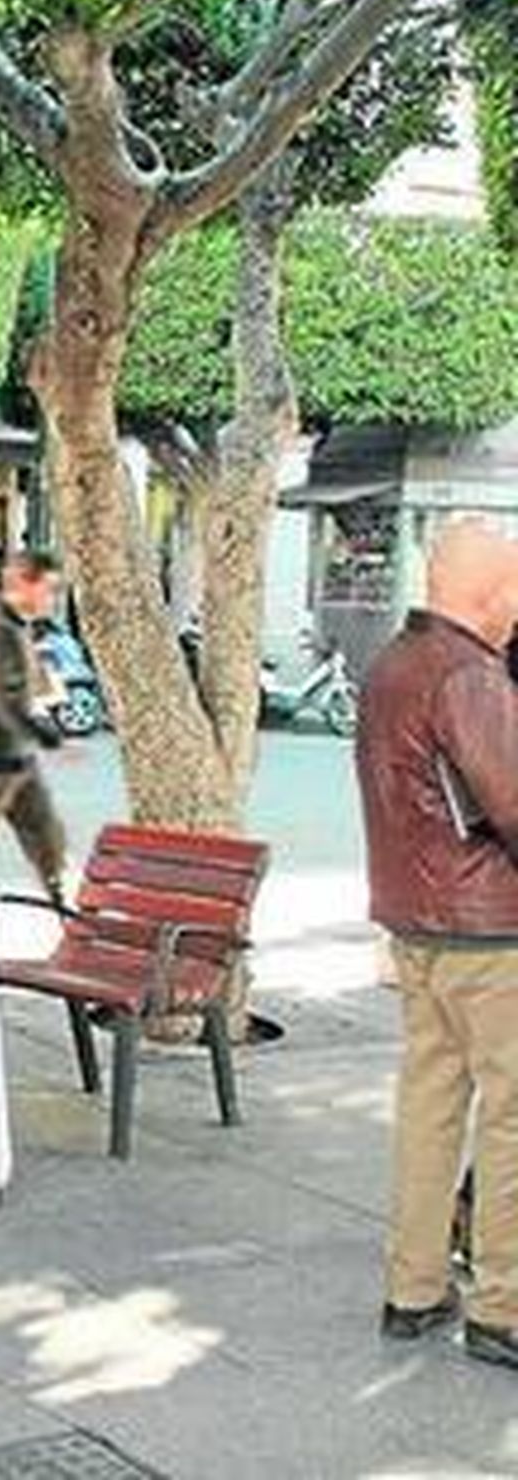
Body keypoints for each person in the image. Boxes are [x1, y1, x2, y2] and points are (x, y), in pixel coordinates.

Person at [355, 519, 518, 1372]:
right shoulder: (468, 676)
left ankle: (413, 1289)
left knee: (429, 1110)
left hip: (416, 922)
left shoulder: (392, 664)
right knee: (511, 1121)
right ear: (489, 591)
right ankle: (503, 1308)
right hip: (490, 931)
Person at [0, 549, 69, 899]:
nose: (51, 600)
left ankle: (63, 901)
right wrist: (37, 730)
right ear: (24, 583)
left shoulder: (18, 626)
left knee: (48, 838)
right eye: (48, 590)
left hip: (17, 757)